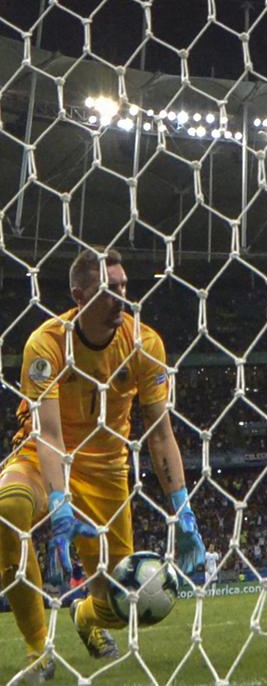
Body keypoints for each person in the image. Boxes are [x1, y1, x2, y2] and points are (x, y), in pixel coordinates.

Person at [0, 248, 205, 681]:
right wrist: (59, 502)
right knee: (8, 508)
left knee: (125, 604)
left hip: (108, 473)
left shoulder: (145, 343)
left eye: (124, 286)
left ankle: (86, 616)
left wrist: (182, 507)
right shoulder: (46, 343)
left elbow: (160, 434)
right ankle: (39, 649)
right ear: (79, 296)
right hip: (42, 457)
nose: (121, 297)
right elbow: (49, 435)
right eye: (109, 289)